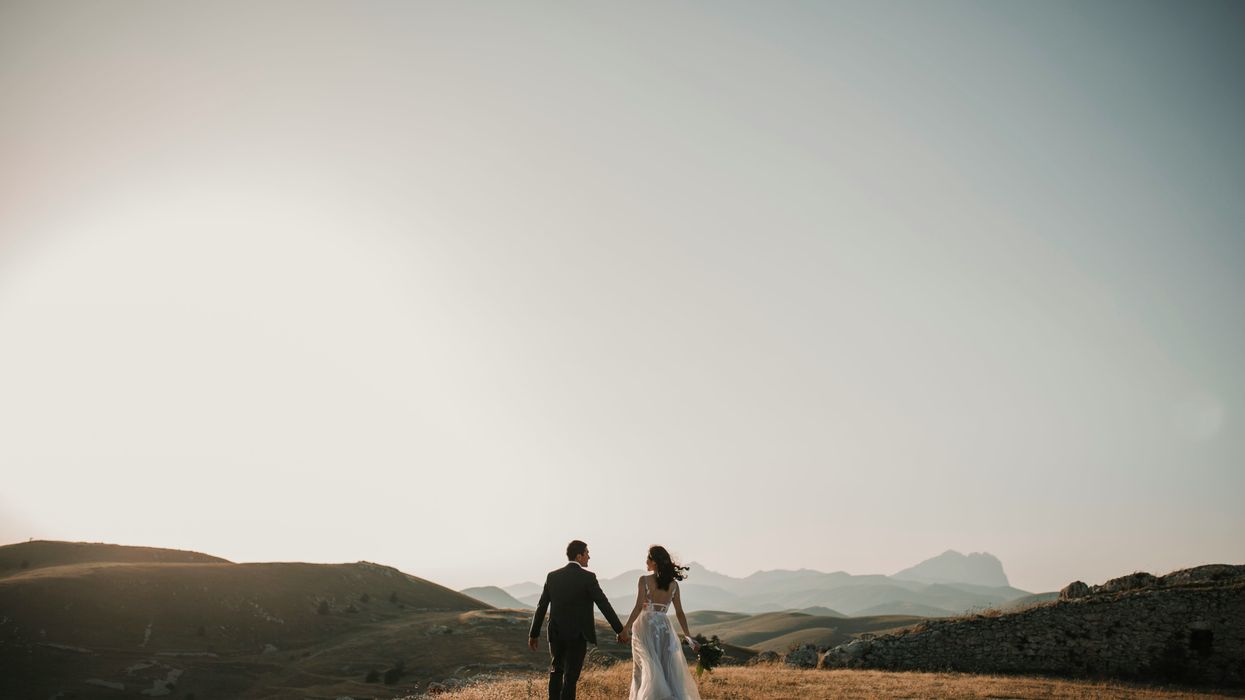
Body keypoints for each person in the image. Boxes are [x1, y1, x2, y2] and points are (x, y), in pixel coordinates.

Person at [528, 540, 627, 700]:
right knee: (571, 677)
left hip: (556, 633)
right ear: (579, 556)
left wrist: (534, 634)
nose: (589, 556)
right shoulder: (588, 577)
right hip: (578, 635)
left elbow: (542, 606)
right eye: (587, 553)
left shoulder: (552, 576)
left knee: (556, 671)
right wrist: (619, 630)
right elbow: (603, 604)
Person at [621, 545, 702, 700]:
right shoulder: (673, 585)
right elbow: (679, 612)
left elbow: (638, 607)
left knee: (644, 667)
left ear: (654, 562)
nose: (646, 561)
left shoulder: (644, 580)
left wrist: (626, 627)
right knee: (666, 668)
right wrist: (688, 636)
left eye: (648, 559)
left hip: (645, 626)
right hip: (664, 627)